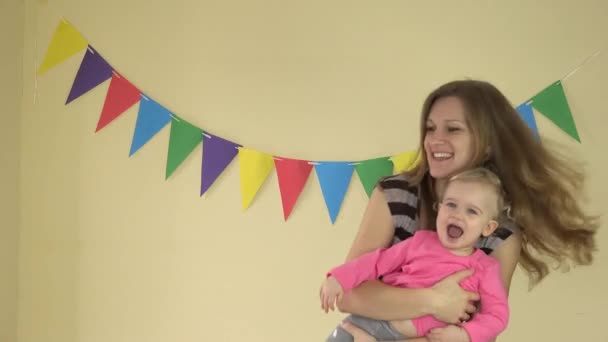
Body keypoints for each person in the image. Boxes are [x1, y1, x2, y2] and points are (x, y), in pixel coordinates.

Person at [328, 79, 599, 341]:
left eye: (453, 129)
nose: (435, 139)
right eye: (430, 128)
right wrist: (434, 301)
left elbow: (481, 332)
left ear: (488, 142)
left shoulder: (501, 234)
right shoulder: (395, 194)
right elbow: (349, 293)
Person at [320, 168, 510, 342]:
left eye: (471, 211)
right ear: (439, 208)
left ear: (488, 227)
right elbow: (376, 262)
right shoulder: (419, 242)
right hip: (373, 323)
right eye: (451, 205)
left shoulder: (486, 268)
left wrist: (466, 335)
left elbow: (497, 316)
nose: (457, 215)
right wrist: (339, 277)